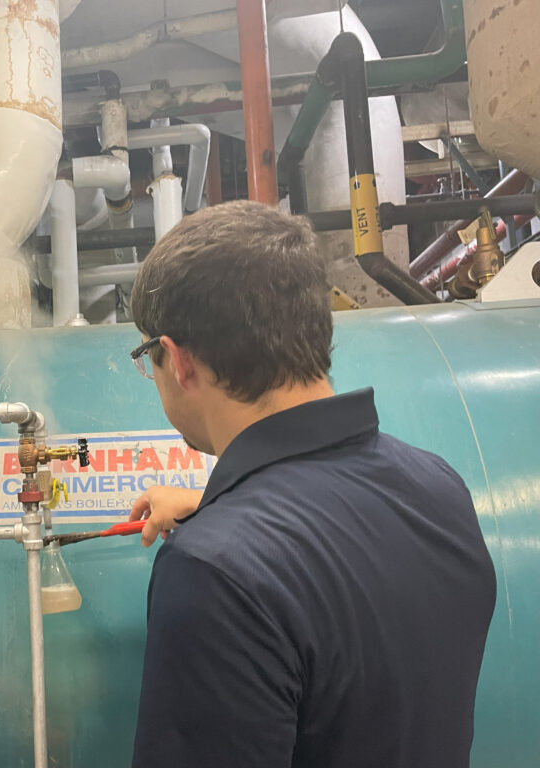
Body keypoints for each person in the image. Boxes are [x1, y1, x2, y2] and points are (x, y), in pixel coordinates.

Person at [126, 200, 495, 768]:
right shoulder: (439, 490)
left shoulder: (210, 575)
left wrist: (220, 532)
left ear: (178, 361)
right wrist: (215, 509)